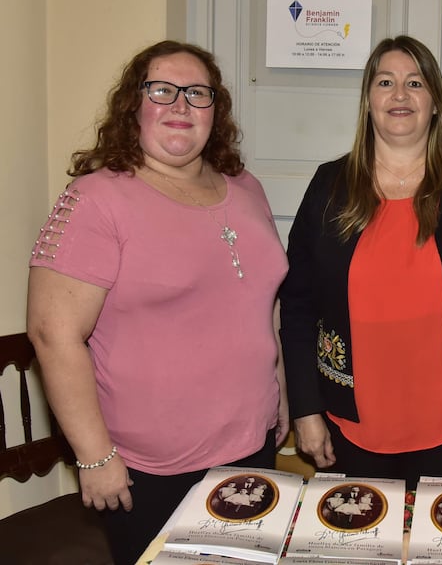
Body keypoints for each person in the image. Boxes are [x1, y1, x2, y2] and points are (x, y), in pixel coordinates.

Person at [26, 40, 289, 565]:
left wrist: (279, 388)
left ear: (216, 110)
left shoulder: (246, 187)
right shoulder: (96, 200)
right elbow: (53, 333)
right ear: (134, 105)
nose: (180, 106)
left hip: (249, 447)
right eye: (162, 90)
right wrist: (94, 456)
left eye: (197, 93)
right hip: (148, 469)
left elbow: (263, 301)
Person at [279, 35, 442, 490]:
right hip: (345, 426)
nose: (399, 95)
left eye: (415, 83)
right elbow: (297, 306)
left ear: (434, 103)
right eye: (385, 82)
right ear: (368, 101)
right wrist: (305, 408)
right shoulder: (329, 187)